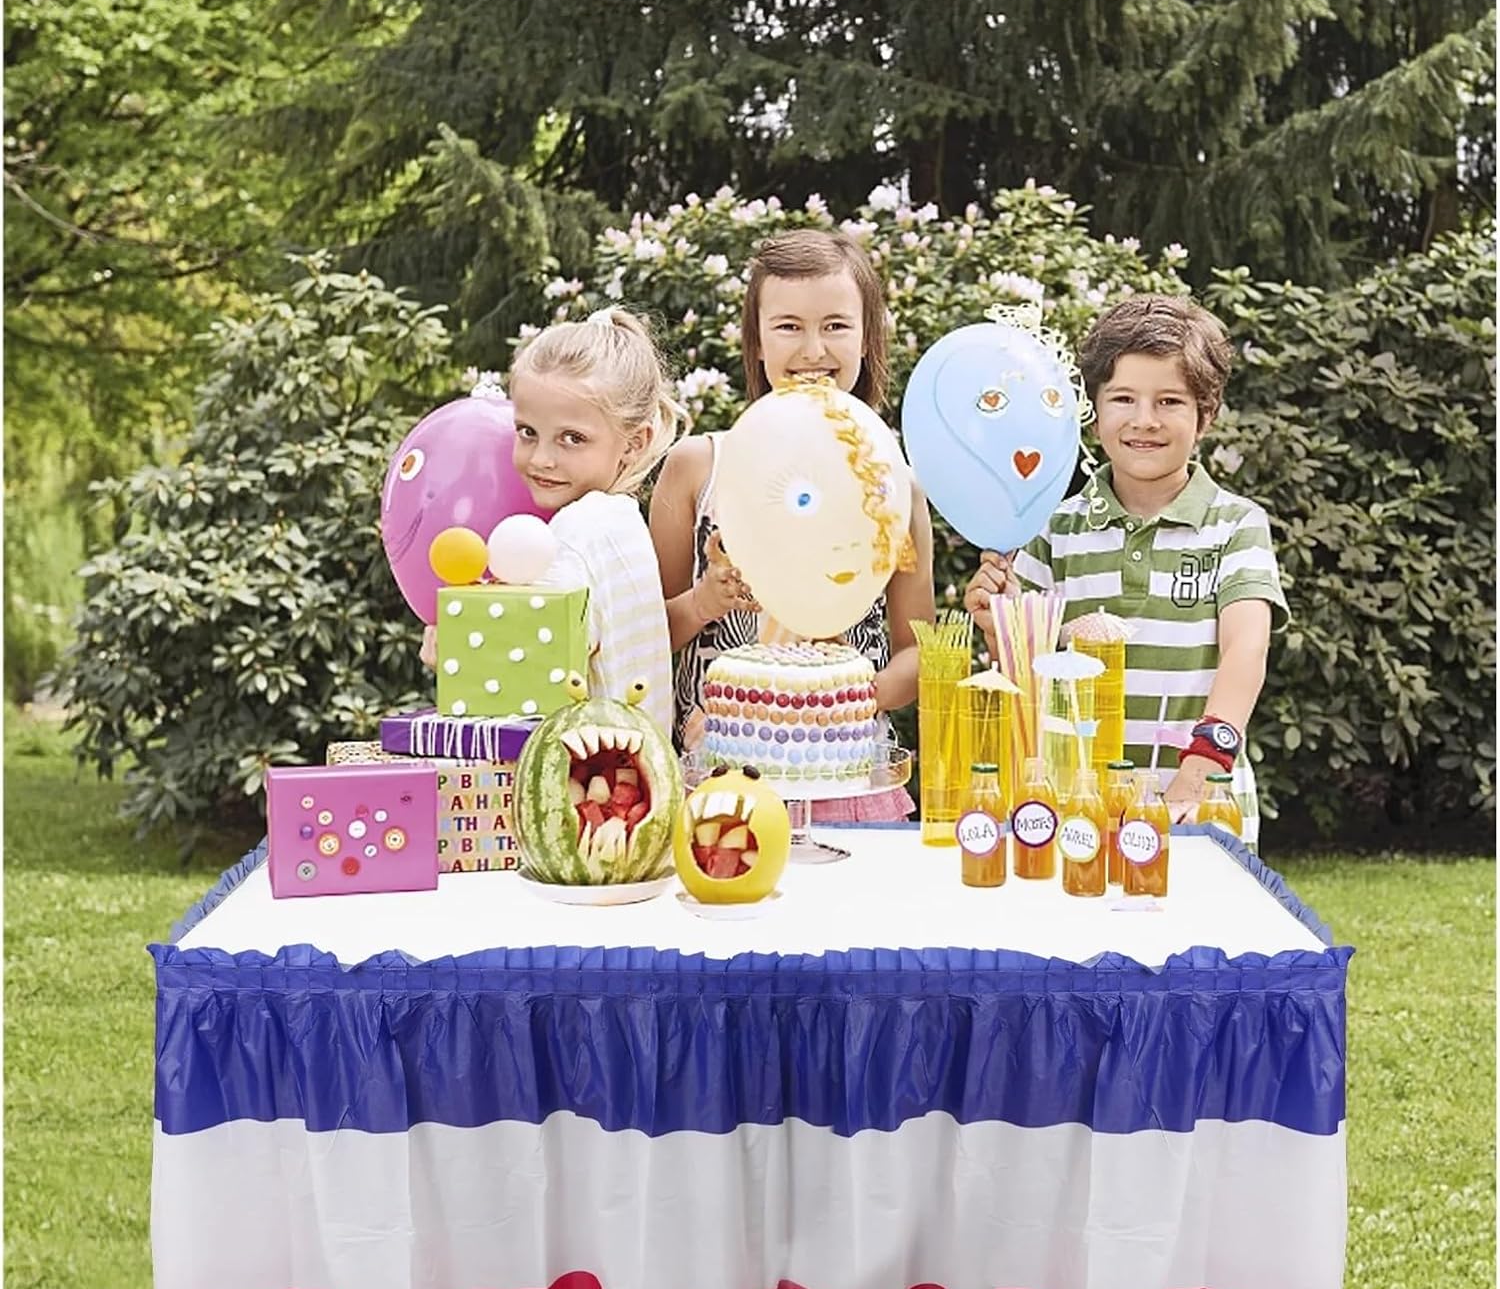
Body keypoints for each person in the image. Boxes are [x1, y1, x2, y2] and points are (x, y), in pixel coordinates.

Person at [963, 294, 1287, 847]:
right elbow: (1029, 678)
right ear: (1093, 411)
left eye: (1169, 401)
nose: (1144, 421)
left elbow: (1246, 651)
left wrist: (1195, 779)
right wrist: (1000, 630)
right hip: (1078, 809)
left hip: (1200, 807)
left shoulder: (1236, 525)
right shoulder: (1051, 528)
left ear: (1206, 415)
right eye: (1123, 399)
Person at [650, 228, 936, 821]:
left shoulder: (896, 485)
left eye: (835, 325)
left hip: (850, 781)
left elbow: (918, 651)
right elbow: (645, 637)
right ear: (756, 342)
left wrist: (840, 706)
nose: (813, 349)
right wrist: (704, 603)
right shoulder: (698, 469)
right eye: (788, 326)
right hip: (717, 784)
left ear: (867, 338)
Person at [422, 308, 682, 740]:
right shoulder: (620, 521)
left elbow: (526, 677)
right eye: (527, 432)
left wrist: (459, 653)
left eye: (572, 438)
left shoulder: (578, 533)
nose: (541, 458)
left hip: (582, 774)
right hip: (635, 767)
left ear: (634, 443)